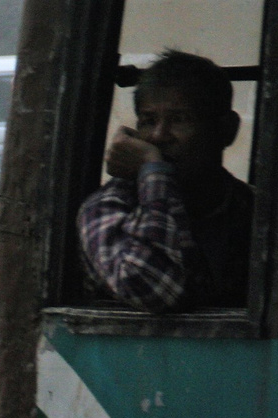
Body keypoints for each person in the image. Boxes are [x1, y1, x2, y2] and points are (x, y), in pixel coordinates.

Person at [77, 49, 253, 313]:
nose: (159, 136)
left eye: (180, 119)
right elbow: (150, 288)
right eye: (148, 121)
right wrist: (153, 171)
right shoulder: (109, 207)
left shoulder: (251, 208)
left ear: (226, 130)